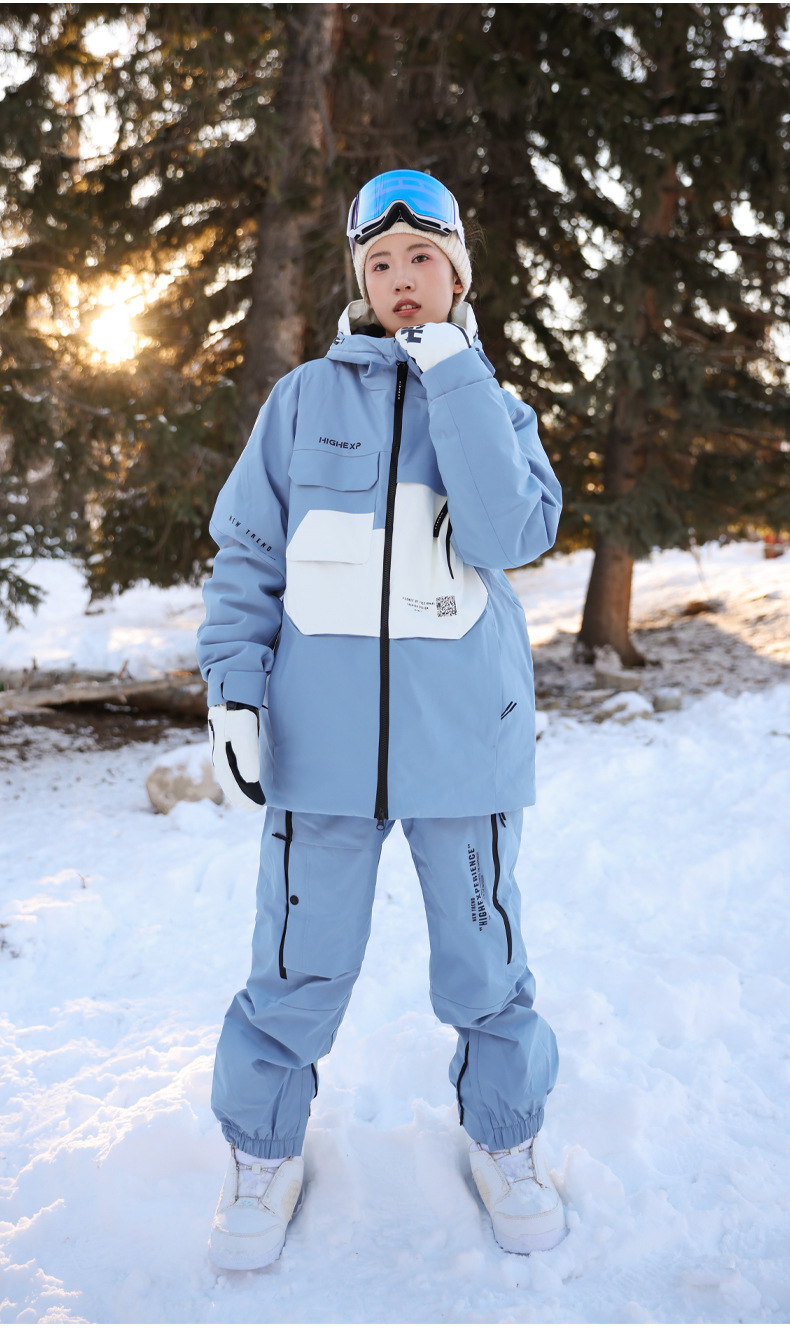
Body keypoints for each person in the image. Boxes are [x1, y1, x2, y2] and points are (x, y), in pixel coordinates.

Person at [196, 169, 566, 1269]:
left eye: (423, 260)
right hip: (322, 749)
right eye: (381, 263)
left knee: (485, 962)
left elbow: (508, 534)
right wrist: (235, 690)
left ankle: (507, 1140)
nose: (403, 279)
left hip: (464, 745)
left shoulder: (495, 406)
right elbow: (248, 558)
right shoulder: (301, 401)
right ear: (359, 279)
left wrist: (453, 374)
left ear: (458, 274)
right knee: (295, 964)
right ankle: (262, 1154)